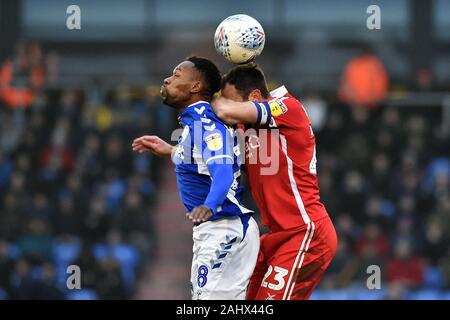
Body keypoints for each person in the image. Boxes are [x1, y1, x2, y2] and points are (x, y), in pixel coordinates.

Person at [131, 57, 259, 300]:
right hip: (221, 229)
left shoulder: (203, 122)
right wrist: (171, 150)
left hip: (223, 227)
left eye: (177, 75)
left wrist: (209, 206)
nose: (168, 79)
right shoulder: (198, 121)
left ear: (195, 87)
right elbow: (204, 158)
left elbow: (221, 169)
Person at [212, 63, 337, 300]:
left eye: (232, 100)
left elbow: (223, 111)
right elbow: (214, 153)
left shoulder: (287, 107)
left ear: (256, 96)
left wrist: (204, 95)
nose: (229, 106)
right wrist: (170, 150)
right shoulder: (246, 129)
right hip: (276, 237)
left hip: (306, 232)